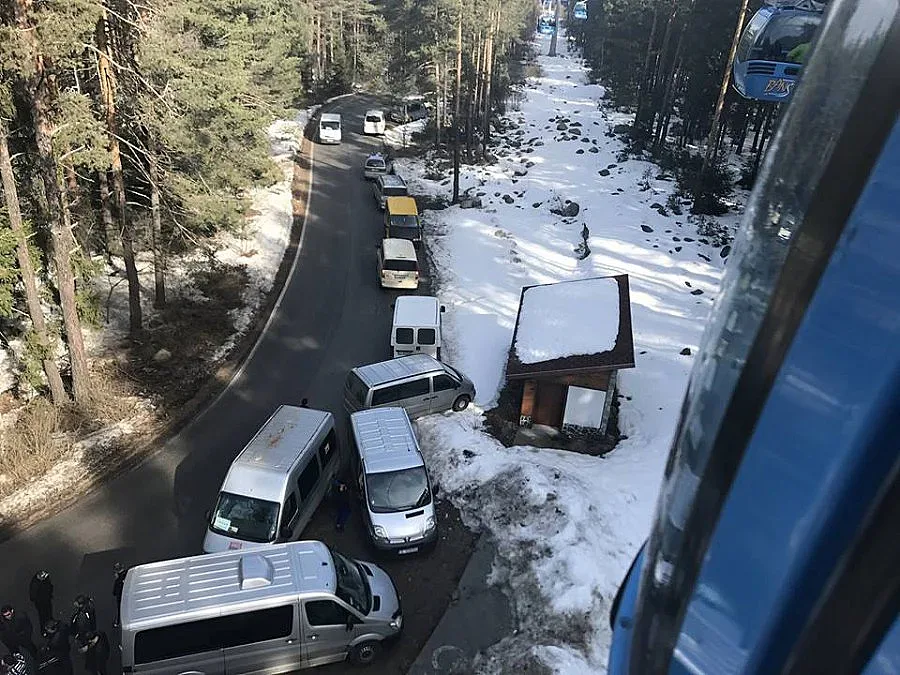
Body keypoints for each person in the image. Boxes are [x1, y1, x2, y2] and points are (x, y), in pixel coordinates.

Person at [111, 564, 127, 628]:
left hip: (120, 596)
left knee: (120, 610)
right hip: (126, 594)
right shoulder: (127, 574)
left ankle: (118, 622)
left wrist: (117, 580)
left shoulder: (118, 579)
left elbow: (115, 591)